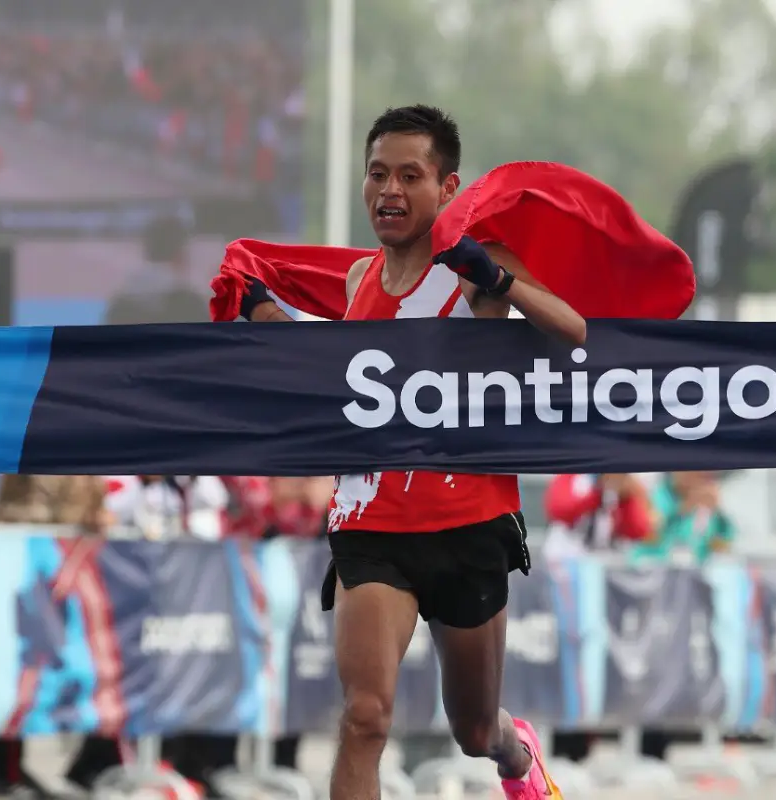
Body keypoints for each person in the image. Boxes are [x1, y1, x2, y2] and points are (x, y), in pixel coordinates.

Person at [237, 105, 580, 799]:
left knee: (475, 731)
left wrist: (499, 282)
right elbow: (332, 372)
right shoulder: (357, 280)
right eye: (376, 174)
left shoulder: (472, 271)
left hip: (467, 524)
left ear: (446, 188)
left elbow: (573, 332)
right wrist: (264, 316)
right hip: (370, 522)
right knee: (364, 716)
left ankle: (519, 762)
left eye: (409, 175)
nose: (388, 190)